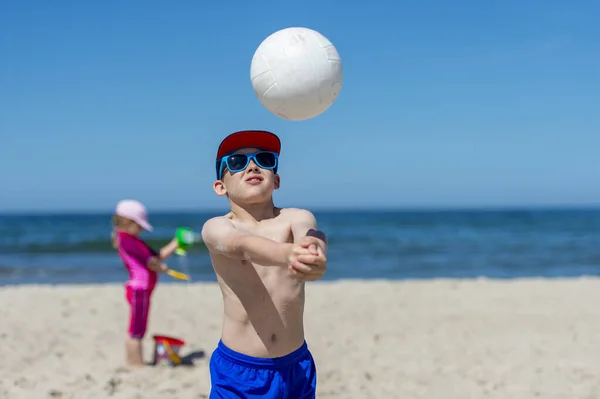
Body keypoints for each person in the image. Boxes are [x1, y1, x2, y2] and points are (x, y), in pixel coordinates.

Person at [201, 130, 328, 398]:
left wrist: (314, 251)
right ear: (220, 186)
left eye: (265, 159)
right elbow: (240, 245)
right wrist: (289, 255)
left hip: (296, 365)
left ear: (276, 180)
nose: (253, 166)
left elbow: (310, 235)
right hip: (239, 370)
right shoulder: (217, 226)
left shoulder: (296, 216)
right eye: (236, 162)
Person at [111, 199, 182, 367]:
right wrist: (161, 269)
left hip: (142, 290)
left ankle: (134, 362)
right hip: (139, 289)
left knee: (138, 327)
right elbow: (152, 263)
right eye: (140, 225)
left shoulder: (133, 240)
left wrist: (175, 244)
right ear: (128, 222)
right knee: (137, 330)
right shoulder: (127, 240)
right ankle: (135, 364)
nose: (142, 228)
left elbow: (156, 256)